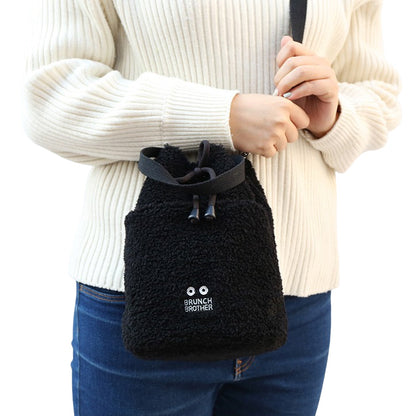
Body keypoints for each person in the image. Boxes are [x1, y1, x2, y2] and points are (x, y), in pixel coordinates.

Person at [22, 0, 401, 415]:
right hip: (147, 295)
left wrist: (333, 115)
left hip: (296, 305)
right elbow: (52, 97)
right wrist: (222, 116)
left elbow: (378, 93)